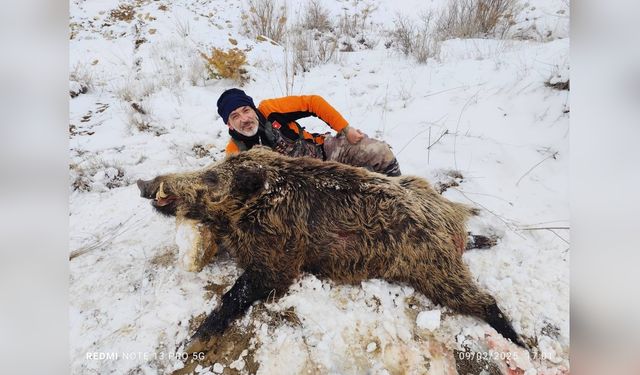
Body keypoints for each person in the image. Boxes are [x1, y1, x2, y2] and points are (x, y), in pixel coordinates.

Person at [216, 88, 401, 176]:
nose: (244, 119)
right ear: (230, 125)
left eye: (246, 110)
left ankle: (404, 196)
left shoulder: (270, 110)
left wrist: (345, 129)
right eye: (235, 116)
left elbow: (313, 102)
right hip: (297, 191)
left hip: (324, 154)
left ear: (253, 109)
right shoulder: (234, 152)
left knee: (378, 152)